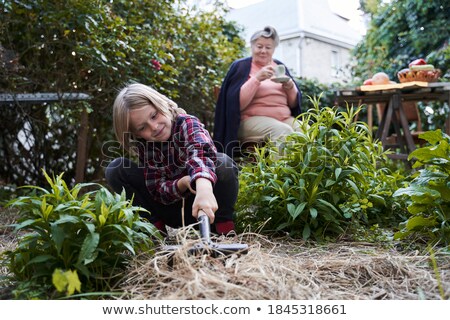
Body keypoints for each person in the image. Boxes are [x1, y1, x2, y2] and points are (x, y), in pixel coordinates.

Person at [105, 82, 238, 236]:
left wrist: (204, 188)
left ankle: (222, 229)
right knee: (116, 168)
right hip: (172, 211)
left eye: (154, 116)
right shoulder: (146, 146)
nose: (154, 127)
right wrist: (181, 183)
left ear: (161, 104)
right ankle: (154, 231)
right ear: (136, 134)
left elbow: (201, 152)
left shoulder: (187, 123)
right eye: (142, 128)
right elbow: (157, 190)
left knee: (223, 162)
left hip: (206, 205)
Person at [214, 26, 302, 157]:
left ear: (274, 49)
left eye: (268, 47)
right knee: (282, 131)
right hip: (249, 121)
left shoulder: (279, 66)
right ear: (252, 46)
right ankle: (278, 176)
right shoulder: (241, 66)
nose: (263, 51)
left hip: (284, 118)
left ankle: (303, 174)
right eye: (259, 46)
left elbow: (294, 104)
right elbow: (237, 104)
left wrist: (289, 85)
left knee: (305, 130)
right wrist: (257, 79)